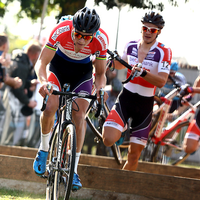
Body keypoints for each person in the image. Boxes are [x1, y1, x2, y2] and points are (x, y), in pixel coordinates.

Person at [33, 7, 109, 191]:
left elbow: (100, 74)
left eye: (87, 37)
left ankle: (73, 170)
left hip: (81, 74)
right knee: (50, 106)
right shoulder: (61, 29)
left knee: (80, 115)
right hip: (58, 68)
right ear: (72, 28)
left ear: (94, 35)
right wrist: (44, 82)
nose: (81, 39)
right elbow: (41, 63)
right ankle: (43, 150)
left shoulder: (101, 39)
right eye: (77, 34)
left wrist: (100, 89)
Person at [102, 11, 172, 171]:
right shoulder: (131, 45)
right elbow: (123, 63)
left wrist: (144, 73)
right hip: (126, 98)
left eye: (152, 30)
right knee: (108, 139)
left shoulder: (163, 51)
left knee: (133, 156)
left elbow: (161, 81)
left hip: (145, 104)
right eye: (145, 28)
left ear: (159, 32)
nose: (148, 32)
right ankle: (122, 126)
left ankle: (121, 192)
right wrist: (110, 63)